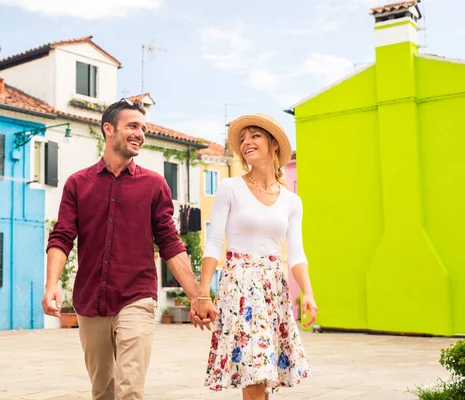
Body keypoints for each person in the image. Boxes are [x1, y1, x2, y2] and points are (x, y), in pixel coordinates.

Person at [42, 98, 204, 400]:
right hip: (91, 300)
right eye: (132, 126)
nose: (140, 133)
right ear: (108, 129)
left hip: (136, 296)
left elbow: (170, 242)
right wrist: (52, 284)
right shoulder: (78, 184)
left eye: (143, 128)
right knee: (103, 390)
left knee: (130, 387)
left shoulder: (154, 185)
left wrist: (196, 296)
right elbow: (62, 236)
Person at [194, 113, 318, 399]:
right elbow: (214, 241)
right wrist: (203, 292)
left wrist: (308, 293)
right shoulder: (230, 188)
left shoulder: (291, 201)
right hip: (239, 284)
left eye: (254, 135)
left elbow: (296, 252)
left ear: (273, 144)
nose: (246, 142)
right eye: (243, 138)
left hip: (274, 287)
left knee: (264, 372)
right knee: (254, 369)